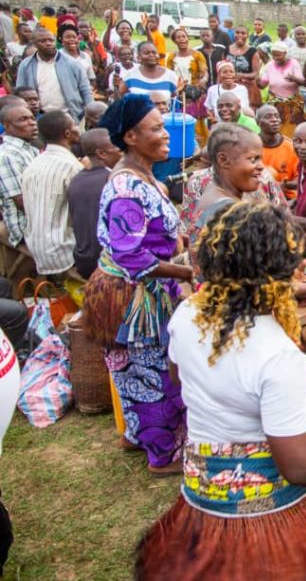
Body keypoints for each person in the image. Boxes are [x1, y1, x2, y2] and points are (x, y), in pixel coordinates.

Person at [135, 202, 306, 580]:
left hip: (201, 504)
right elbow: (299, 466)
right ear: (284, 269)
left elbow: (178, 376)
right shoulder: (279, 357)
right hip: (270, 524)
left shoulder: (187, 316)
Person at [80, 94, 192, 476]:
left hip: (144, 291)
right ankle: (162, 455)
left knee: (135, 369)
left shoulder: (145, 177)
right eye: (157, 128)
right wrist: (189, 273)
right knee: (150, 372)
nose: (166, 135)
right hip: (135, 299)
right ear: (130, 136)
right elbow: (131, 257)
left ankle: (135, 434)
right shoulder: (128, 188)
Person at [21, 111, 83, 275]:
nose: (79, 129)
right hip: (62, 250)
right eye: (75, 125)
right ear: (67, 133)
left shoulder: (34, 163)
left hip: (35, 245)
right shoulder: (71, 166)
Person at [68, 129, 122, 279]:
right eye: (118, 147)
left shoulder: (77, 179)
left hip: (83, 260)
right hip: (104, 266)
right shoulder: (114, 182)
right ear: (101, 153)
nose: (124, 150)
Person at [15, 27, 92, 121]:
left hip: (71, 115)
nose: (48, 43)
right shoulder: (26, 65)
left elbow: (85, 89)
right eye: (42, 41)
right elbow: (20, 92)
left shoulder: (72, 63)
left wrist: (90, 110)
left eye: (51, 40)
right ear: (34, 43)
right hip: (40, 117)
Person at [0, 102, 39, 250]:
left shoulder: (29, 149)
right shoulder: (7, 156)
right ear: (7, 125)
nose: (32, 123)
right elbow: (23, 202)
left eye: (32, 118)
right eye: (23, 120)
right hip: (26, 227)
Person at [164, 28, 209, 140]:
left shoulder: (197, 55)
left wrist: (203, 80)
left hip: (195, 95)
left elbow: (204, 72)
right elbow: (168, 75)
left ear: (187, 38)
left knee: (197, 124)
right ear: (174, 40)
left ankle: (199, 149)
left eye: (184, 36)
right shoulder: (171, 57)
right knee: (180, 122)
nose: (182, 39)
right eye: (178, 37)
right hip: (179, 94)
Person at [259, 42, 305, 139]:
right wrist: (257, 81)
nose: (276, 58)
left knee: (291, 130)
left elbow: (302, 81)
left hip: (292, 104)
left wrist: (293, 78)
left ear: (285, 53)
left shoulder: (294, 64)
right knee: (276, 127)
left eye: (278, 55)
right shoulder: (269, 66)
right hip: (275, 103)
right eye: (274, 55)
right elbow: (263, 85)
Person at [256, 105, 300, 199]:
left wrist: (285, 185)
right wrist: (271, 187)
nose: (274, 120)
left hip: (287, 198)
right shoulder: (251, 146)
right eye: (268, 117)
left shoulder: (291, 146)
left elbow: (300, 178)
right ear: (258, 122)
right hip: (260, 196)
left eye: (277, 116)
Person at [225, 25, 261, 108]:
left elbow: (255, 74)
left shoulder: (253, 51)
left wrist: (240, 75)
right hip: (229, 87)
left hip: (248, 89)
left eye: (243, 33)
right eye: (237, 32)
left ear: (247, 35)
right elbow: (221, 68)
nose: (240, 35)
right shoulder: (227, 49)